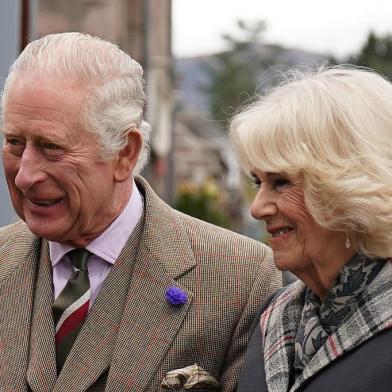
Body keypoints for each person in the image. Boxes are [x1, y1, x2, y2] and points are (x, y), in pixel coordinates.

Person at [0, 32, 281, 391]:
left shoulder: (239, 279)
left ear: (125, 153)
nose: (25, 175)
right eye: (14, 143)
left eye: (51, 147)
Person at [229, 66, 392, 392]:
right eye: (258, 182)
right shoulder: (272, 319)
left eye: (280, 182)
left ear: (350, 187)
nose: (257, 208)